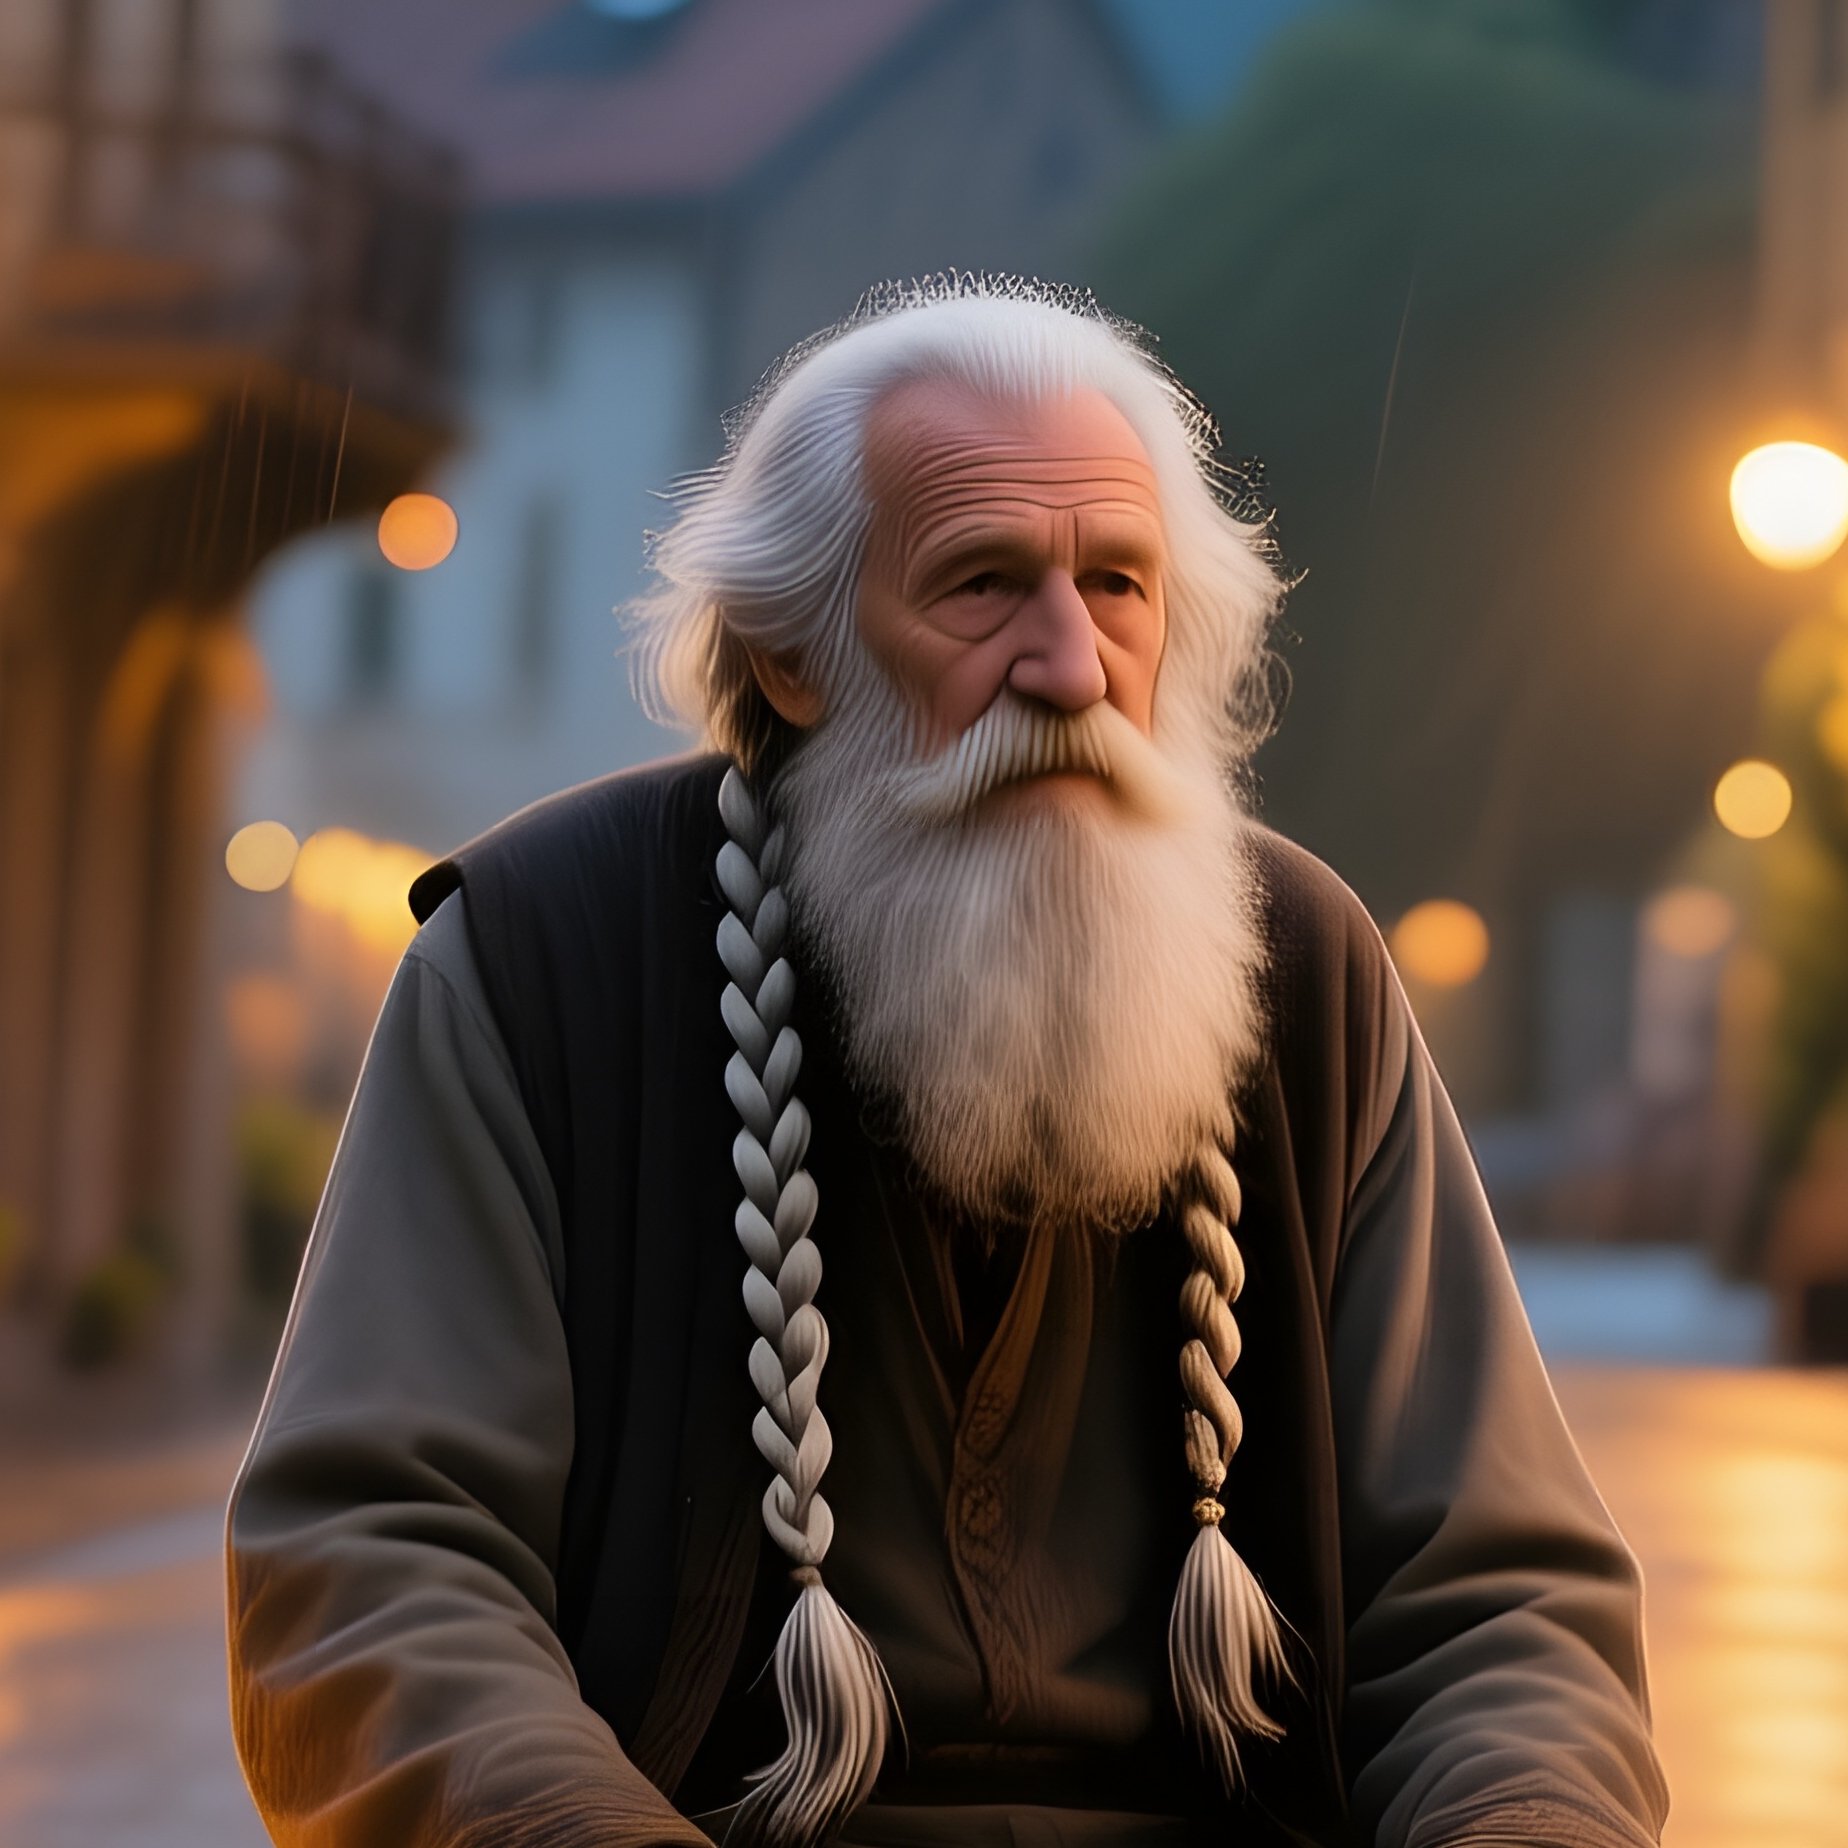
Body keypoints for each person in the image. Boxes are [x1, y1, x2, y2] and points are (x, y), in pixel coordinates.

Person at [224, 277, 1670, 1848]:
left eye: (1117, 585)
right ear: (792, 654)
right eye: (983, 585)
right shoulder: (542, 956)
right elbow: (374, 1564)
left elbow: (1501, 1612)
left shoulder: (1305, 973)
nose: (1071, 666)